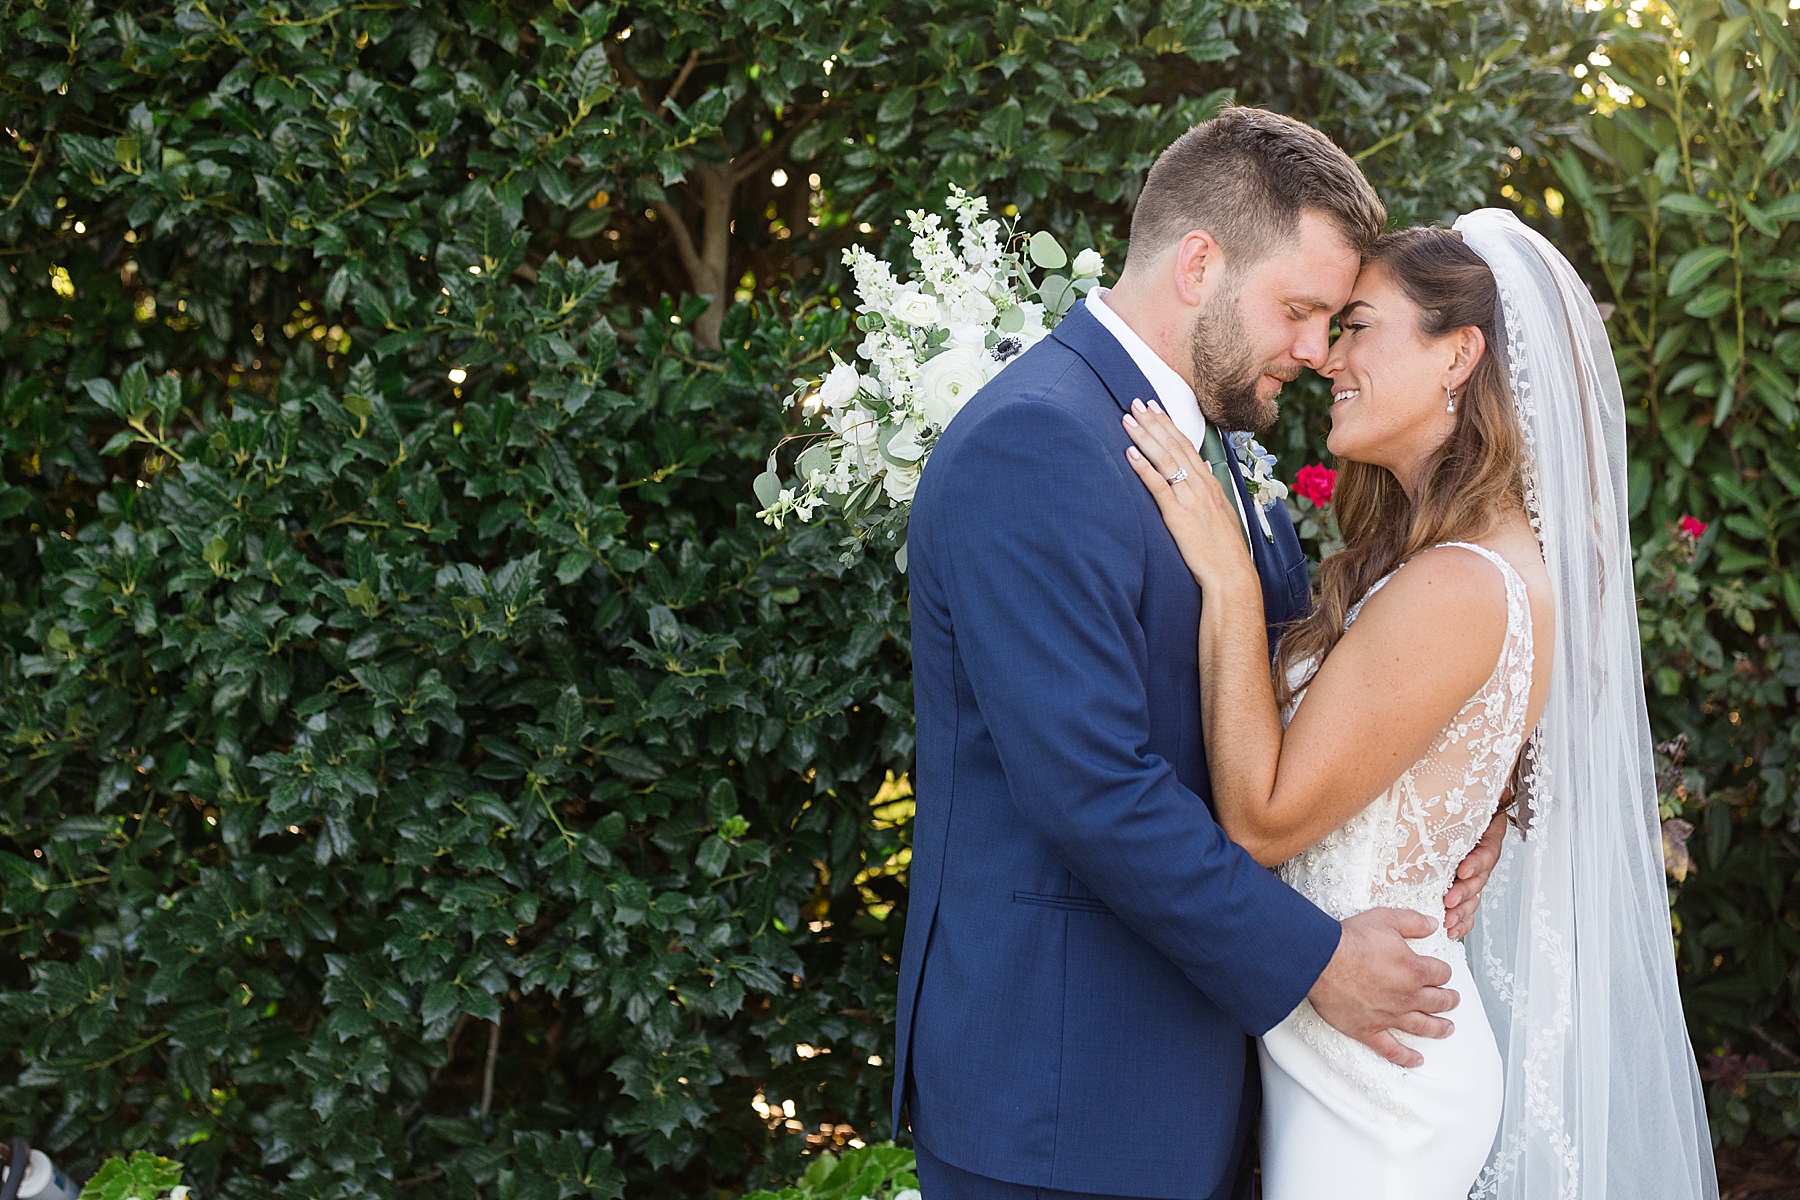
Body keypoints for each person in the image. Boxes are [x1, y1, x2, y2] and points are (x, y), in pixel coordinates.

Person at [896, 107, 1507, 1200]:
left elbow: (1295, 704)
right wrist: (1315, 963)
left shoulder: (1218, 448)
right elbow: (1093, 790)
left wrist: (1458, 810)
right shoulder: (1036, 442)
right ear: (1197, 265)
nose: (1318, 352)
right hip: (1066, 1100)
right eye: (1303, 310)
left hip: (1206, 1085)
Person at [1118, 217, 1716, 1198]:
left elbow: (1265, 821)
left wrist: (1227, 583)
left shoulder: (1458, 583)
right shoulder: (1469, 562)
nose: (1330, 359)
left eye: (1358, 328)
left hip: (1378, 1087)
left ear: (1459, 356)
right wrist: (1478, 827)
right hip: (1352, 1050)